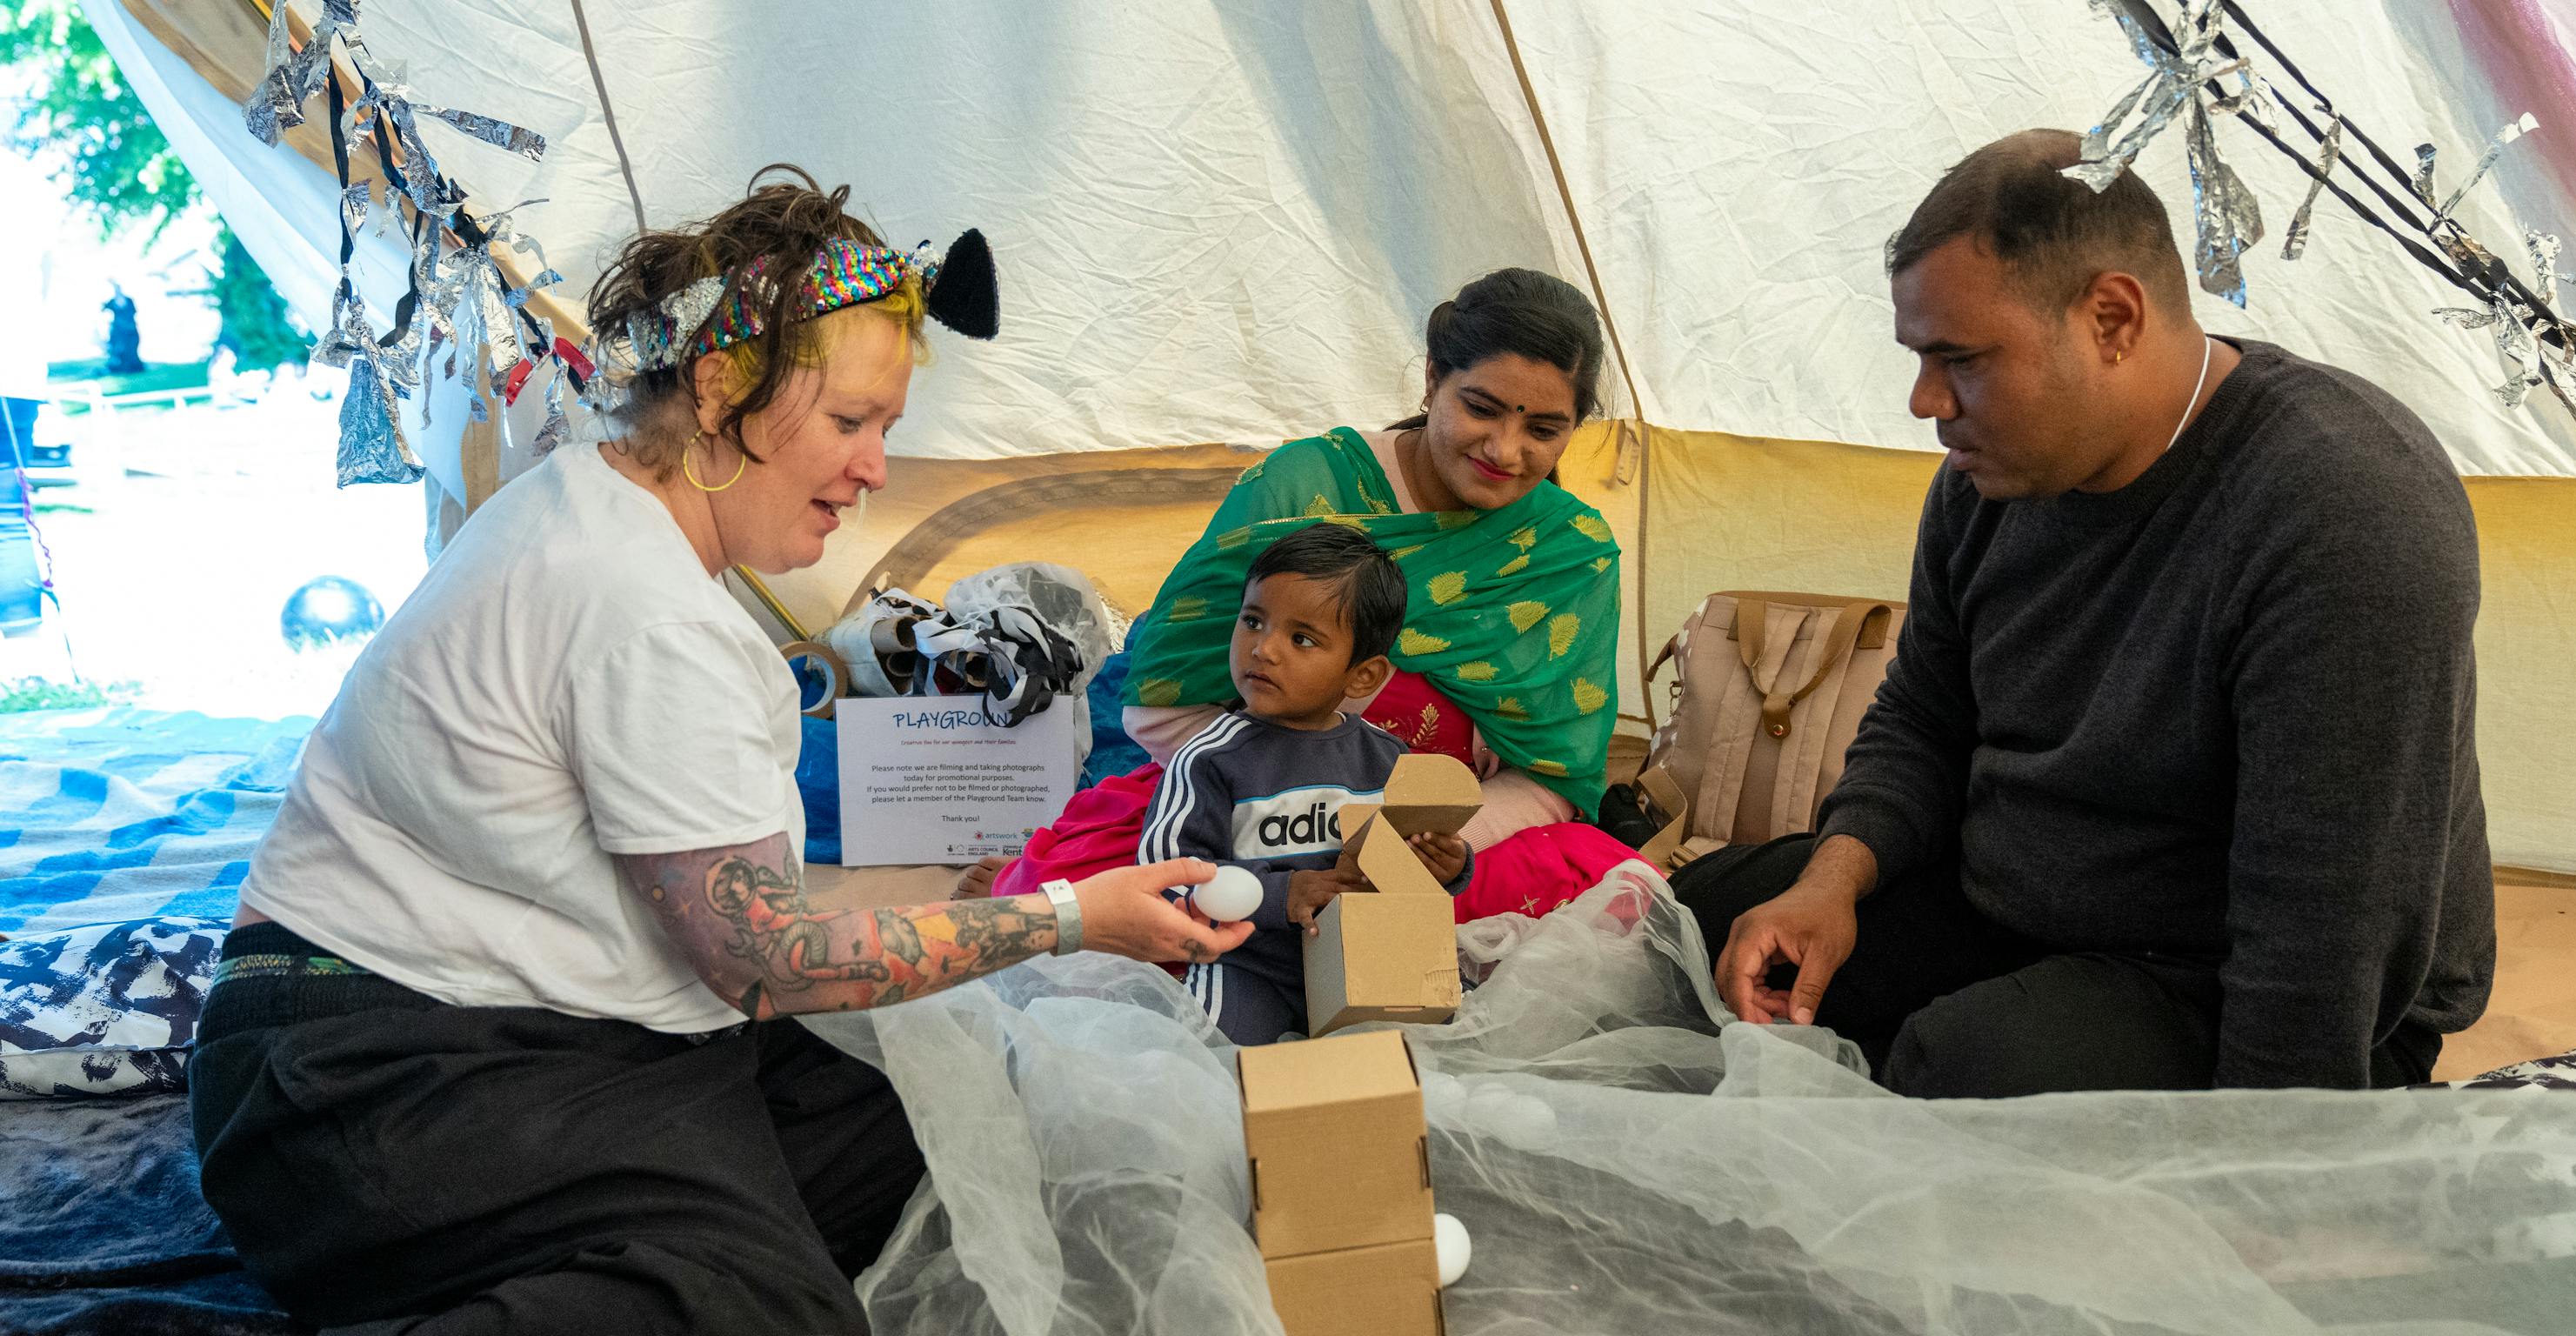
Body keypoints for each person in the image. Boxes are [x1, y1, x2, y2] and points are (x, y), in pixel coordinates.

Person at [187, 167, 1252, 1333]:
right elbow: (770, 964)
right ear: (716, 388)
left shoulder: (592, 497)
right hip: (368, 1092)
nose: (874, 469)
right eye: (849, 423)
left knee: (951, 1119)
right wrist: (1073, 916)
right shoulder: (640, 607)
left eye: (885, 429)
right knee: (758, 1306)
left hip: (496, 1034)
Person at [1675, 129, 2493, 1098]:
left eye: (1960, 360)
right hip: (2019, 900)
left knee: (1956, 1069)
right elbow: (1924, 719)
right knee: (1703, 923)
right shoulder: (1987, 481)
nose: (1924, 401)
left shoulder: (2343, 514)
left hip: (2236, 975)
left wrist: (2269, 1188)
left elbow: (2325, 925)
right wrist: (1831, 884)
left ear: (2112, 318)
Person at [988, 268, 1638, 919]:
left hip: (1432, 850)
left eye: (1544, 431)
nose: (1506, 449)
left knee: (1624, 891)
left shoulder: (1569, 552)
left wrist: (1422, 846)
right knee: (1064, 913)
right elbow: (1160, 709)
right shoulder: (1302, 488)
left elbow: (1552, 777)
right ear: (1434, 379)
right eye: (1481, 408)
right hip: (1250, 817)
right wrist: (1310, 826)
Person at [1140, 523, 1471, 1043]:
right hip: (1249, 966)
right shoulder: (1208, 758)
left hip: (1367, 960)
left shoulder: (1389, 761)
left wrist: (1447, 866)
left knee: (1424, 1061)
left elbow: (1408, 874)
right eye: (1253, 621)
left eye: (1301, 639)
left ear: (1362, 676)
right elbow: (1166, 878)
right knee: (1221, 1063)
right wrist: (1280, 893)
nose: (1264, 650)